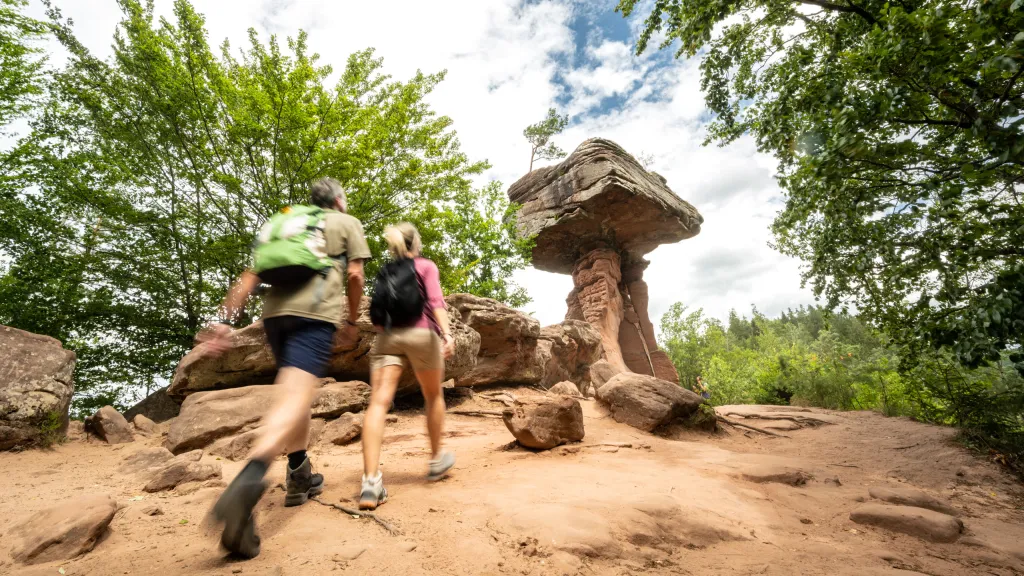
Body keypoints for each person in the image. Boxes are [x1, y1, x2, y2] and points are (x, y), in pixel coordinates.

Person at [198, 177, 371, 558]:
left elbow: (251, 275)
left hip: (275, 318)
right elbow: (356, 274)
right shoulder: (345, 222)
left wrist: (225, 319)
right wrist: (353, 321)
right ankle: (250, 478)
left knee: (297, 397)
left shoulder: (284, 221)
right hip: (314, 317)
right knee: (293, 400)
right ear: (339, 201)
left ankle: (299, 473)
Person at [358, 222, 456, 510]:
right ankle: (437, 460)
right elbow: (436, 301)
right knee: (433, 395)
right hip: (422, 334)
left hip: (388, 337)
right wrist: (448, 334)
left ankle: (370, 482)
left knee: (378, 403)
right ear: (416, 245)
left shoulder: (386, 272)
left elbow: (376, 317)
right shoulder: (426, 266)